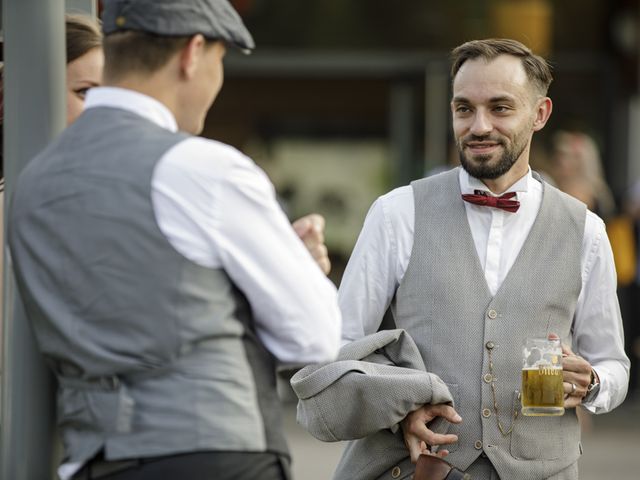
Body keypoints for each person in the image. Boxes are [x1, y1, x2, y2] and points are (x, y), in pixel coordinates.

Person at [8, 1, 341, 480]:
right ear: (193, 52)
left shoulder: (33, 183)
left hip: (92, 461)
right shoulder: (204, 167)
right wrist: (291, 266)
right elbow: (313, 336)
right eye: (221, 61)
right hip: (214, 454)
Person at [337, 39, 629, 479]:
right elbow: (341, 344)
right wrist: (396, 411)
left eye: (500, 108)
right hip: (418, 468)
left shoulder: (584, 230)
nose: (479, 126)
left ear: (540, 114)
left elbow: (613, 363)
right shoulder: (398, 212)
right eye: (464, 109)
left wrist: (593, 383)